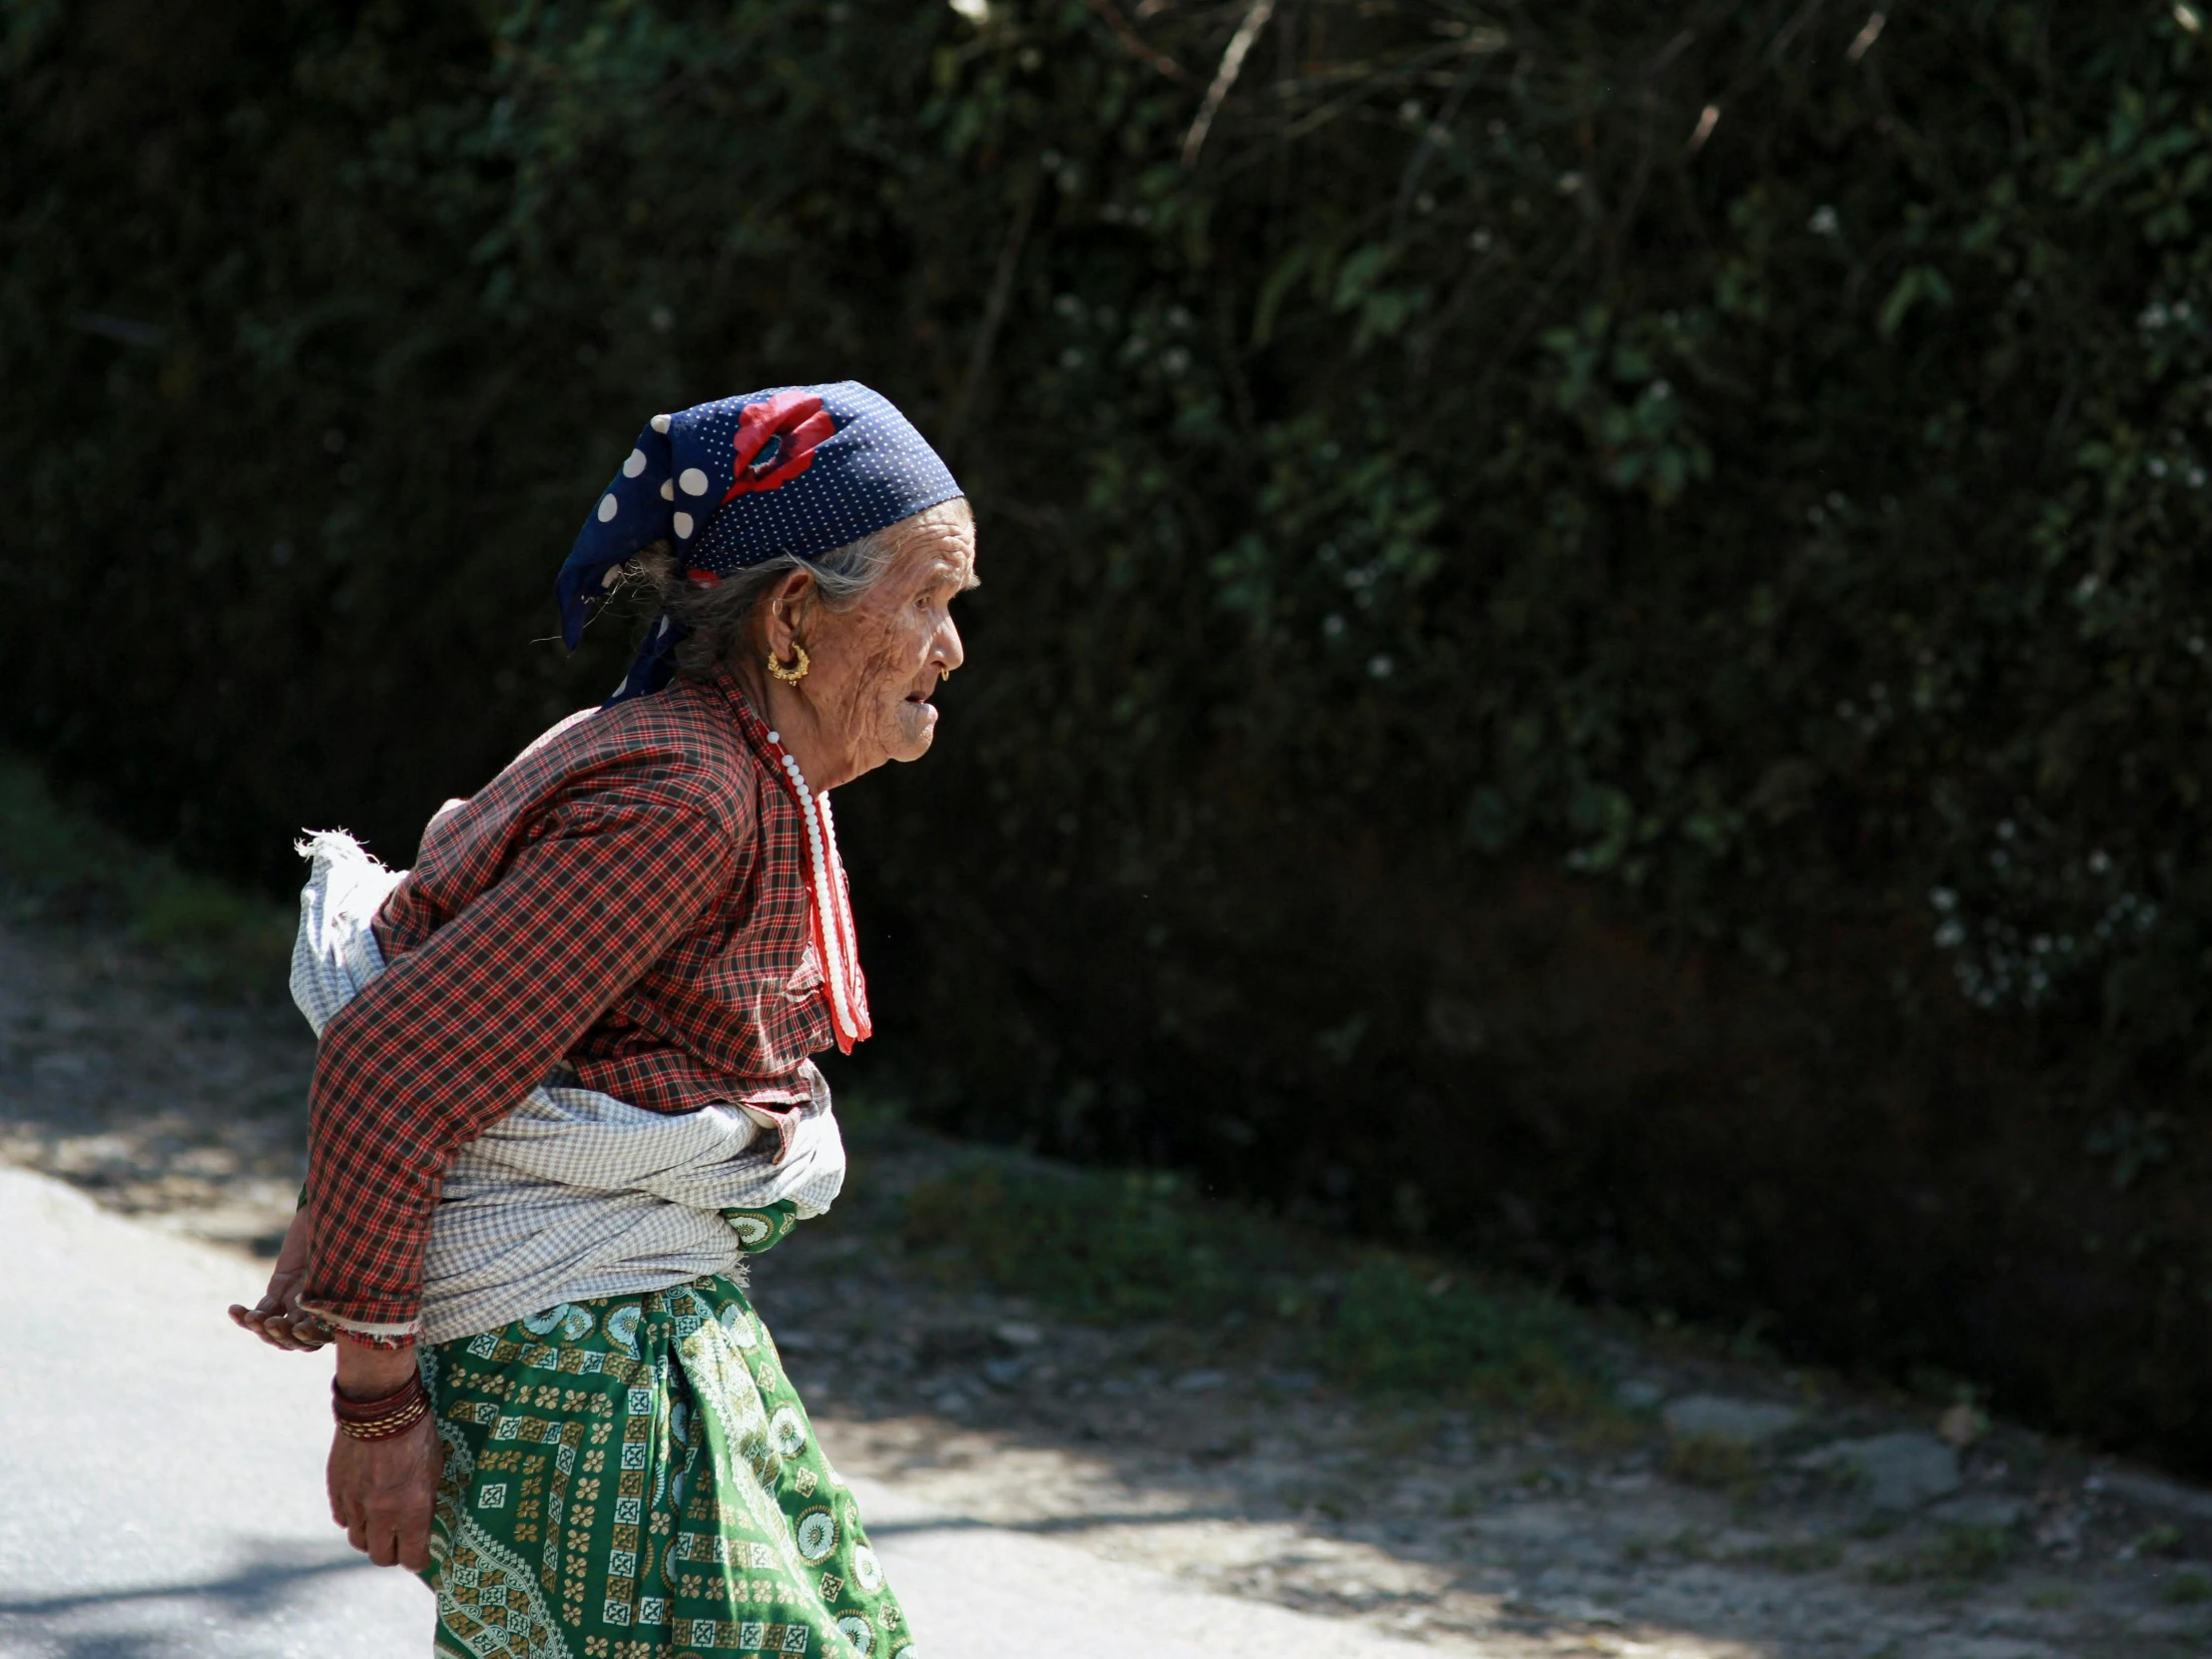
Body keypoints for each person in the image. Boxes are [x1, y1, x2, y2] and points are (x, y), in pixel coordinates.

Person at [229, 381, 974, 1658]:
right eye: (925, 599)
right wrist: (375, 1415)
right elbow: (391, 1067)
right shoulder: (686, 799)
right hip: (574, 1369)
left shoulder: (719, 764)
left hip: (645, 1330)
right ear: (793, 615)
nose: (948, 649)